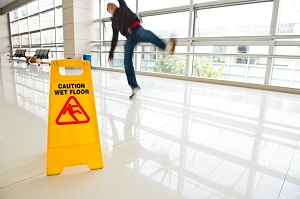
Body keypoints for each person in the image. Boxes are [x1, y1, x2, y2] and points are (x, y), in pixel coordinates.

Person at [107, 0, 177, 98]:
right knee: (127, 61)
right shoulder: (114, 21)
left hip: (137, 29)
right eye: (108, 7)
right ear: (109, 12)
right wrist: (111, 54)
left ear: (115, 5)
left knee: (148, 35)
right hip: (129, 37)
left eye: (111, 4)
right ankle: (134, 86)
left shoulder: (123, 6)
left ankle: (166, 48)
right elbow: (115, 38)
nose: (110, 6)